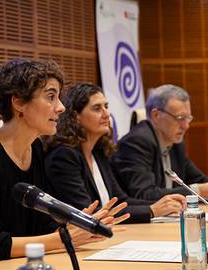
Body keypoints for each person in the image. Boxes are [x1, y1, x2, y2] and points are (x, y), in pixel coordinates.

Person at [0, 59, 129, 269]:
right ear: (18, 103)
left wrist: (76, 223)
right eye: (51, 97)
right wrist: (63, 237)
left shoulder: (36, 149)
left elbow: (40, 224)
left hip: (18, 268)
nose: (61, 107)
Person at [45, 83, 185, 223]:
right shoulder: (64, 156)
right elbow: (87, 211)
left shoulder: (99, 152)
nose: (106, 114)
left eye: (106, 107)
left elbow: (120, 201)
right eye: (97, 108)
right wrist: (151, 210)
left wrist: (161, 205)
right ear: (76, 116)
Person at [113, 84, 208, 201]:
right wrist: (198, 191)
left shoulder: (175, 142)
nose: (186, 126)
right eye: (180, 118)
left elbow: (198, 180)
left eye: (188, 118)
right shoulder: (137, 143)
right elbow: (144, 193)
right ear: (156, 115)